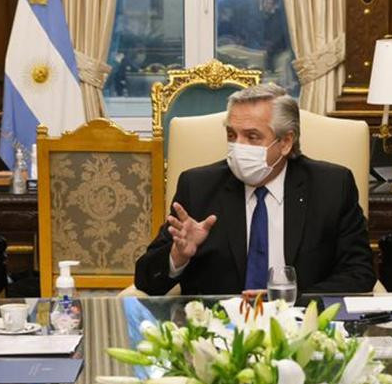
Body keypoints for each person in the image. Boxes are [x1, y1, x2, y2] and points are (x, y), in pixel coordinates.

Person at [134, 84, 376, 296]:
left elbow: (359, 273)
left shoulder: (332, 186)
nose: (238, 147)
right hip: (219, 333)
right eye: (232, 135)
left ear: (285, 142)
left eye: (252, 137)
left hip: (302, 329)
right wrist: (178, 257)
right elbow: (146, 281)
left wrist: (288, 302)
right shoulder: (198, 187)